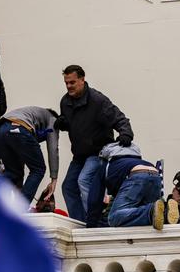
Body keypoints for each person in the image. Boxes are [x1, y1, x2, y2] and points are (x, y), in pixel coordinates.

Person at [56, 65, 133, 225]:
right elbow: (70, 121)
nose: (69, 86)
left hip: (98, 151)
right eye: (66, 83)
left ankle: (96, 220)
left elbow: (119, 118)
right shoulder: (65, 101)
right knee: (68, 187)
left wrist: (126, 133)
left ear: (82, 80)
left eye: (72, 82)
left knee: (84, 180)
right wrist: (63, 123)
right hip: (79, 155)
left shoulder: (98, 101)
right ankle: (80, 223)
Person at [0, 106, 59, 204]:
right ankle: (21, 208)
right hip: (18, 128)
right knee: (38, 169)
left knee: (14, 173)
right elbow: (53, 148)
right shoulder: (53, 119)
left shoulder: (31, 114)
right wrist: (54, 179)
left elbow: (21, 150)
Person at [104, 147, 176, 230]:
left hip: (137, 175)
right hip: (155, 175)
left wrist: (91, 224)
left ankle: (151, 211)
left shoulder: (107, 164)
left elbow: (96, 197)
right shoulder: (134, 160)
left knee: (114, 217)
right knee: (154, 216)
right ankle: (166, 213)